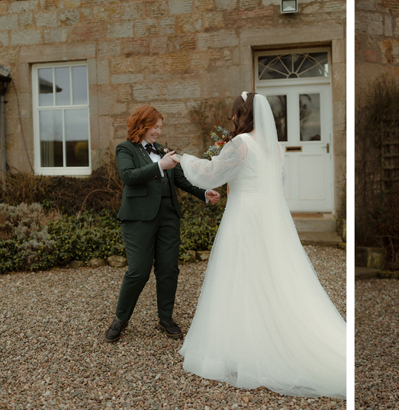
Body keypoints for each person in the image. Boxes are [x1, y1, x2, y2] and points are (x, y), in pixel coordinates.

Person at [177, 91, 346, 399]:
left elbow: (211, 174)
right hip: (268, 214)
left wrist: (182, 159)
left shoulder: (240, 144)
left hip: (244, 214)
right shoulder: (273, 146)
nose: (230, 117)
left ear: (243, 114)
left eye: (233, 112)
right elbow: (276, 182)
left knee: (240, 274)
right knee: (269, 274)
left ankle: (247, 348)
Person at [105, 105, 220, 343]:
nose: (158, 131)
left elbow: (180, 179)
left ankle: (165, 319)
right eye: (155, 127)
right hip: (138, 218)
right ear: (143, 125)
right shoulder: (125, 148)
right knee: (138, 271)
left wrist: (204, 193)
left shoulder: (163, 150)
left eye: (160, 127)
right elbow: (128, 176)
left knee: (169, 270)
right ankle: (121, 319)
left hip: (169, 217)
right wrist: (159, 166)